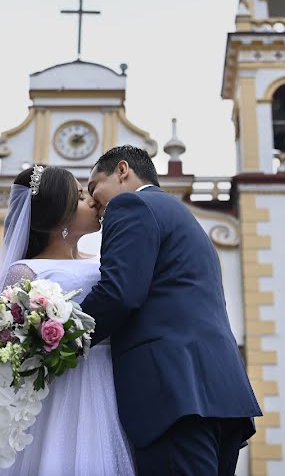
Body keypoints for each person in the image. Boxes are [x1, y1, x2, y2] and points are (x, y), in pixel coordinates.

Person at [81, 145, 262, 476]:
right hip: (221, 392)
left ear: (123, 171)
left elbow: (119, 294)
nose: (94, 204)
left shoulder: (131, 204)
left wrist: (58, 338)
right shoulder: (182, 218)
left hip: (170, 393)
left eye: (94, 188)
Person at [0, 164, 135, 475]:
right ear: (58, 217)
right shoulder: (26, 272)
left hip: (114, 381)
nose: (92, 200)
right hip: (65, 392)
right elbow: (8, 350)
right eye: (80, 197)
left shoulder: (109, 261)